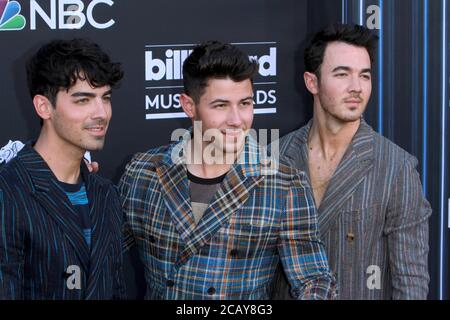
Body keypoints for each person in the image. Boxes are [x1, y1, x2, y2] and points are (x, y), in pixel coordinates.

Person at [118, 41, 337, 299]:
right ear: (189, 106)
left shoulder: (284, 184)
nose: (236, 119)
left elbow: (314, 278)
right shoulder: (142, 172)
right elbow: (101, 255)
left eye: (245, 103)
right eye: (221, 106)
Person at [271, 23, 431, 300]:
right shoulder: (274, 157)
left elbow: (411, 283)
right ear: (312, 82)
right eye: (342, 74)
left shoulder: (396, 168)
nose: (356, 87)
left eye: (364, 76)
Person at [0, 38, 125, 299]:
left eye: (106, 98)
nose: (101, 113)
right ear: (44, 107)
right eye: (83, 100)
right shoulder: (8, 193)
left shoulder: (106, 195)